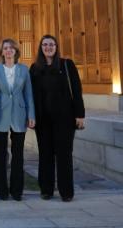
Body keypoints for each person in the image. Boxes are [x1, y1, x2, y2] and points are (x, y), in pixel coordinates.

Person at [30, 34, 85, 202]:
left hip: (65, 119)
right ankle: (46, 190)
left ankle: (66, 192)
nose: (48, 47)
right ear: (41, 48)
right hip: (42, 119)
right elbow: (30, 95)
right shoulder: (34, 68)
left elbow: (77, 90)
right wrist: (30, 116)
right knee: (45, 154)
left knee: (64, 155)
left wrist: (80, 114)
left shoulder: (66, 65)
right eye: (45, 45)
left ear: (56, 47)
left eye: (51, 44)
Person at [0, 38, 35, 201]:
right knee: (0, 154)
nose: (8, 51)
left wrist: (31, 115)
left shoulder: (24, 69)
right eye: (5, 48)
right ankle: (1, 190)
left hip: (19, 114)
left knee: (18, 155)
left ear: (16, 51)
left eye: (11, 48)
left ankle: (17, 191)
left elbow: (28, 93)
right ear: (1, 52)